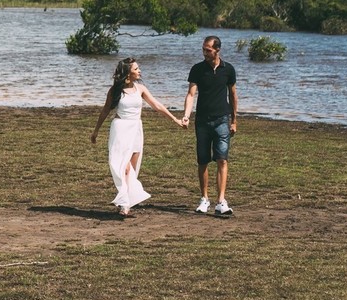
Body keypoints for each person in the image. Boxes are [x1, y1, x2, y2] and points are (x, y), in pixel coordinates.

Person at [91, 58, 188, 217]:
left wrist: (175, 120)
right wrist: (96, 131)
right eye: (136, 69)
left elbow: (157, 105)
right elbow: (105, 111)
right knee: (124, 166)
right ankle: (125, 203)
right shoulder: (115, 90)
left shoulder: (140, 88)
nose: (139, 71)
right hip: (120, 128)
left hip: (136, 128)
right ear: (128, 72)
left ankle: (126, 203)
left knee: (132, 170)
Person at [182, 35, 239, 217]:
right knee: (203, 160)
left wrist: (234, 120)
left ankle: (221, 201)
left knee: (222, 159)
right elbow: (191, 94)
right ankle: (204, 198)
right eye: (203, 49)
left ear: (217, 50)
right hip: (202, 121)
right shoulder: (197, 69)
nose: (205, 52)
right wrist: (186, 115)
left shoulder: (228, 69)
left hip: (222, 119)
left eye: (208, 50)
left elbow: (233, 95)